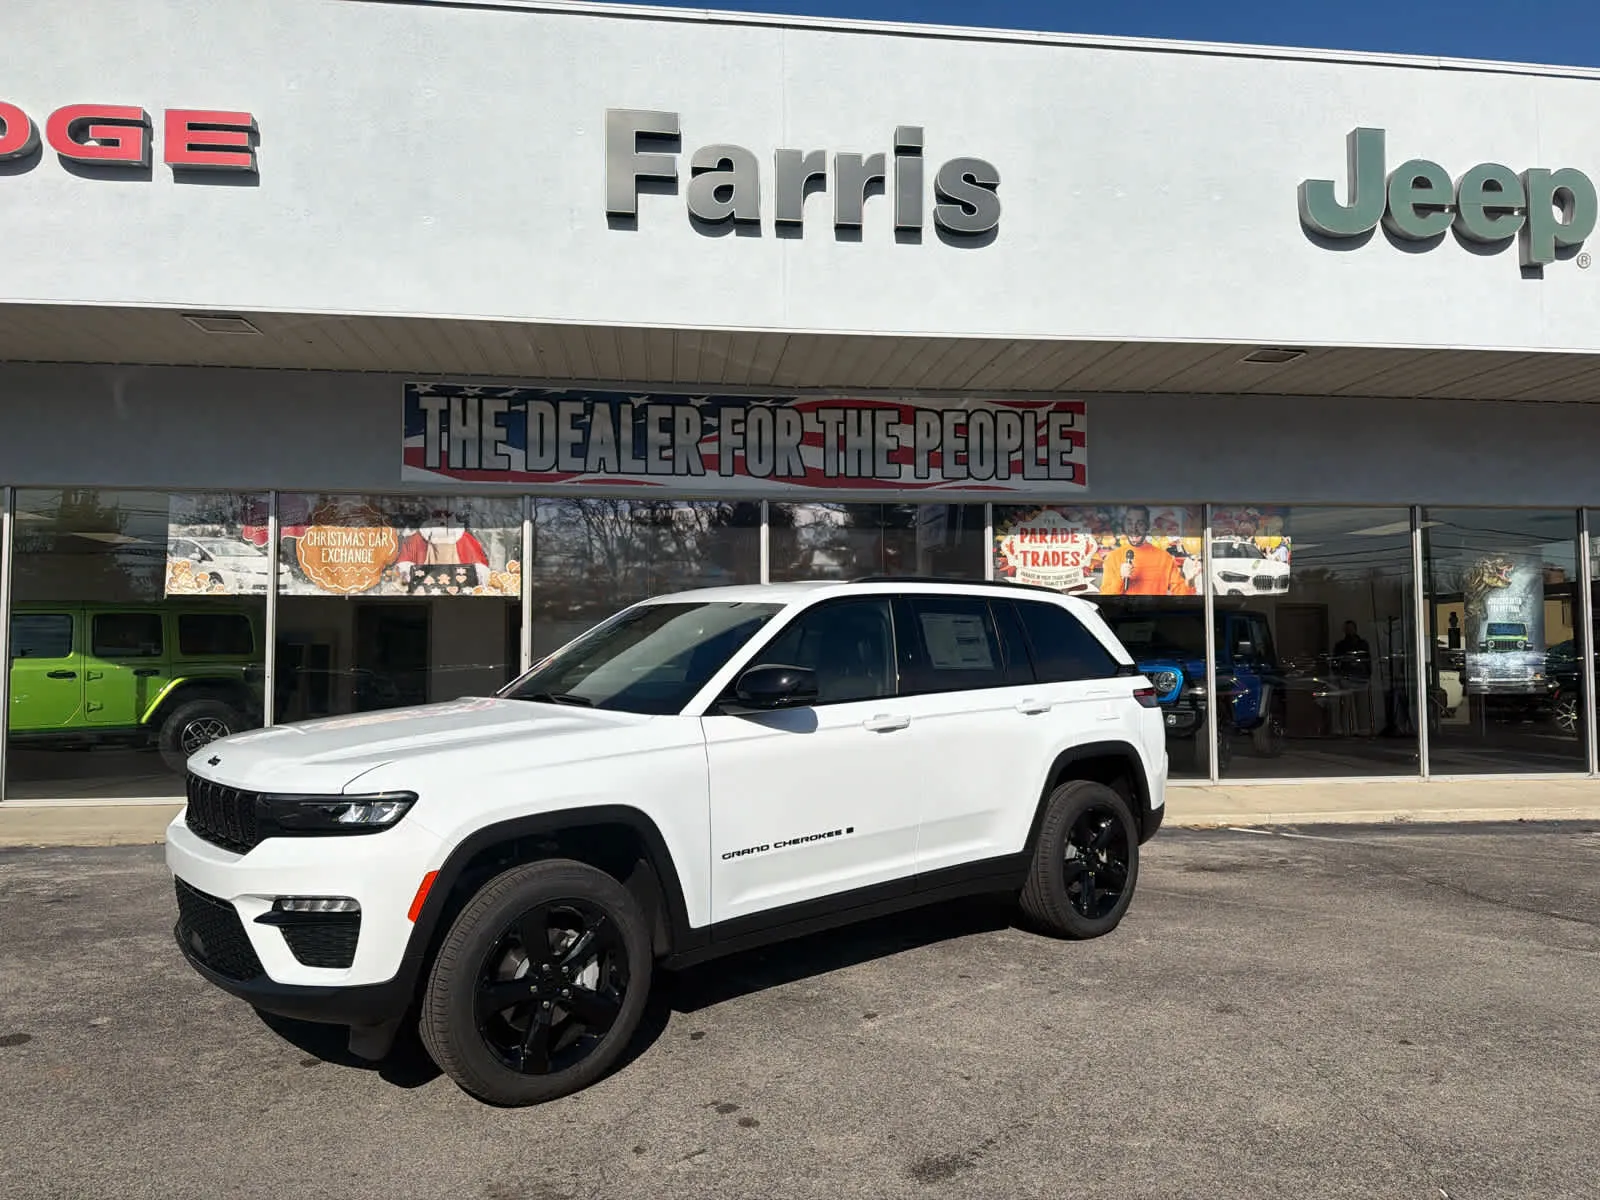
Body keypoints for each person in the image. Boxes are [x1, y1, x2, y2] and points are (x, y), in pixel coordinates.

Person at [1098, 505, 1195, 595]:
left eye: (1140, 524)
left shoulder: (1165, 558)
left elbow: (1182, 595)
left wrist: (1190, 581)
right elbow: (1105, 597)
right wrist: (1120, 577)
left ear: (1147, 526)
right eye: (1129, 523)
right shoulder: (1113, 557)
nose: (1134, 529)